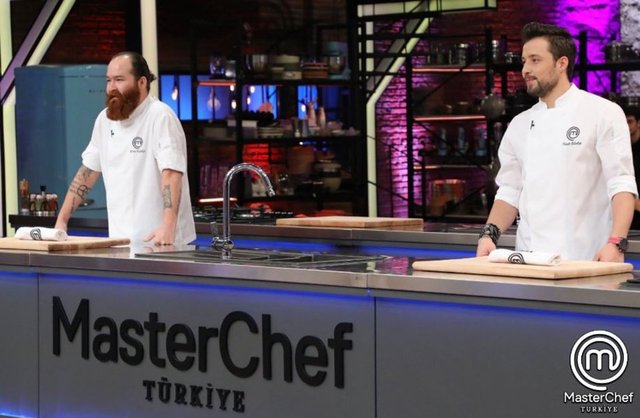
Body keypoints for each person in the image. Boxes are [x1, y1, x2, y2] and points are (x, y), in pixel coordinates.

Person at [476, 22, 637, 262]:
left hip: (587, 259)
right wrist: (489, 235)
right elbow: (510, 190)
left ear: (562, 63)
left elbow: (621, 184)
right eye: (524, 61)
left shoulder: (603, 112)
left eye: (535, 60)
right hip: (530, 261)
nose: (525, 69)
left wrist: (616, 243)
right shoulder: (519, 125)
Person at [55, 51, 196, 245]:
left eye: (119, 80)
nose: (111, 88)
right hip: (120, 241)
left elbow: (171, 173)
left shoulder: (160, 116)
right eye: (108, 80)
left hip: (162, 241)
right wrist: (62, 220)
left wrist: (168, 227)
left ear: (142, 82)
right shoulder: (104, 120)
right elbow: (87, 172)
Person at [624, 106, 640, 230]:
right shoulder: (621, 148)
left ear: (638, 123)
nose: (626, 126)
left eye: (630, 121)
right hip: (626, 211)